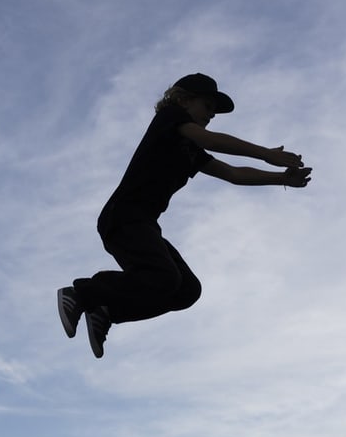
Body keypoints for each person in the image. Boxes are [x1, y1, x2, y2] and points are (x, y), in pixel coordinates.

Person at [57, 73, 311, 358]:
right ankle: (81, 293)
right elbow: (211, 139)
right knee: (163, 277)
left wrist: (283, 179)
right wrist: (264, 153)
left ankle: (108, 311)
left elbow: (232, 173)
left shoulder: (191, 150)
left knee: (186, 290)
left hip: (145, 224)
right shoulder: (169, 118)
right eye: (207, 106)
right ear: (183, 100)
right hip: (123, 216)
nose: (212, 114)